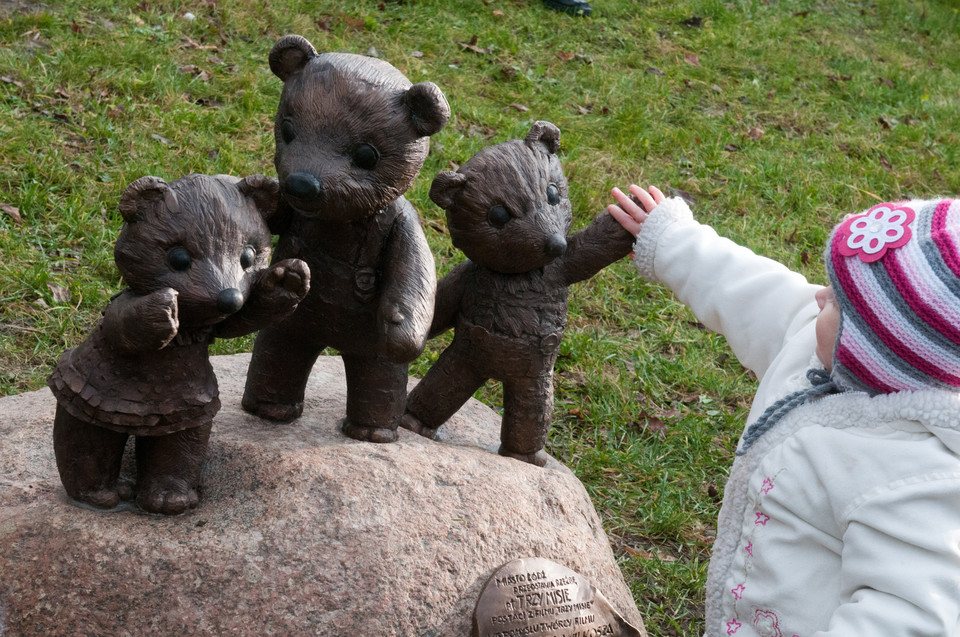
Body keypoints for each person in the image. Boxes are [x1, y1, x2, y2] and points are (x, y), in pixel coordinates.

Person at [608, 185, 960, 636]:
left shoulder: (917, 481)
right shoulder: (817, 345)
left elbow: (904, 615)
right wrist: (675, 242)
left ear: (877, 350)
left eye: (835, 299)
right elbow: (753, 294)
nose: (817, 298)